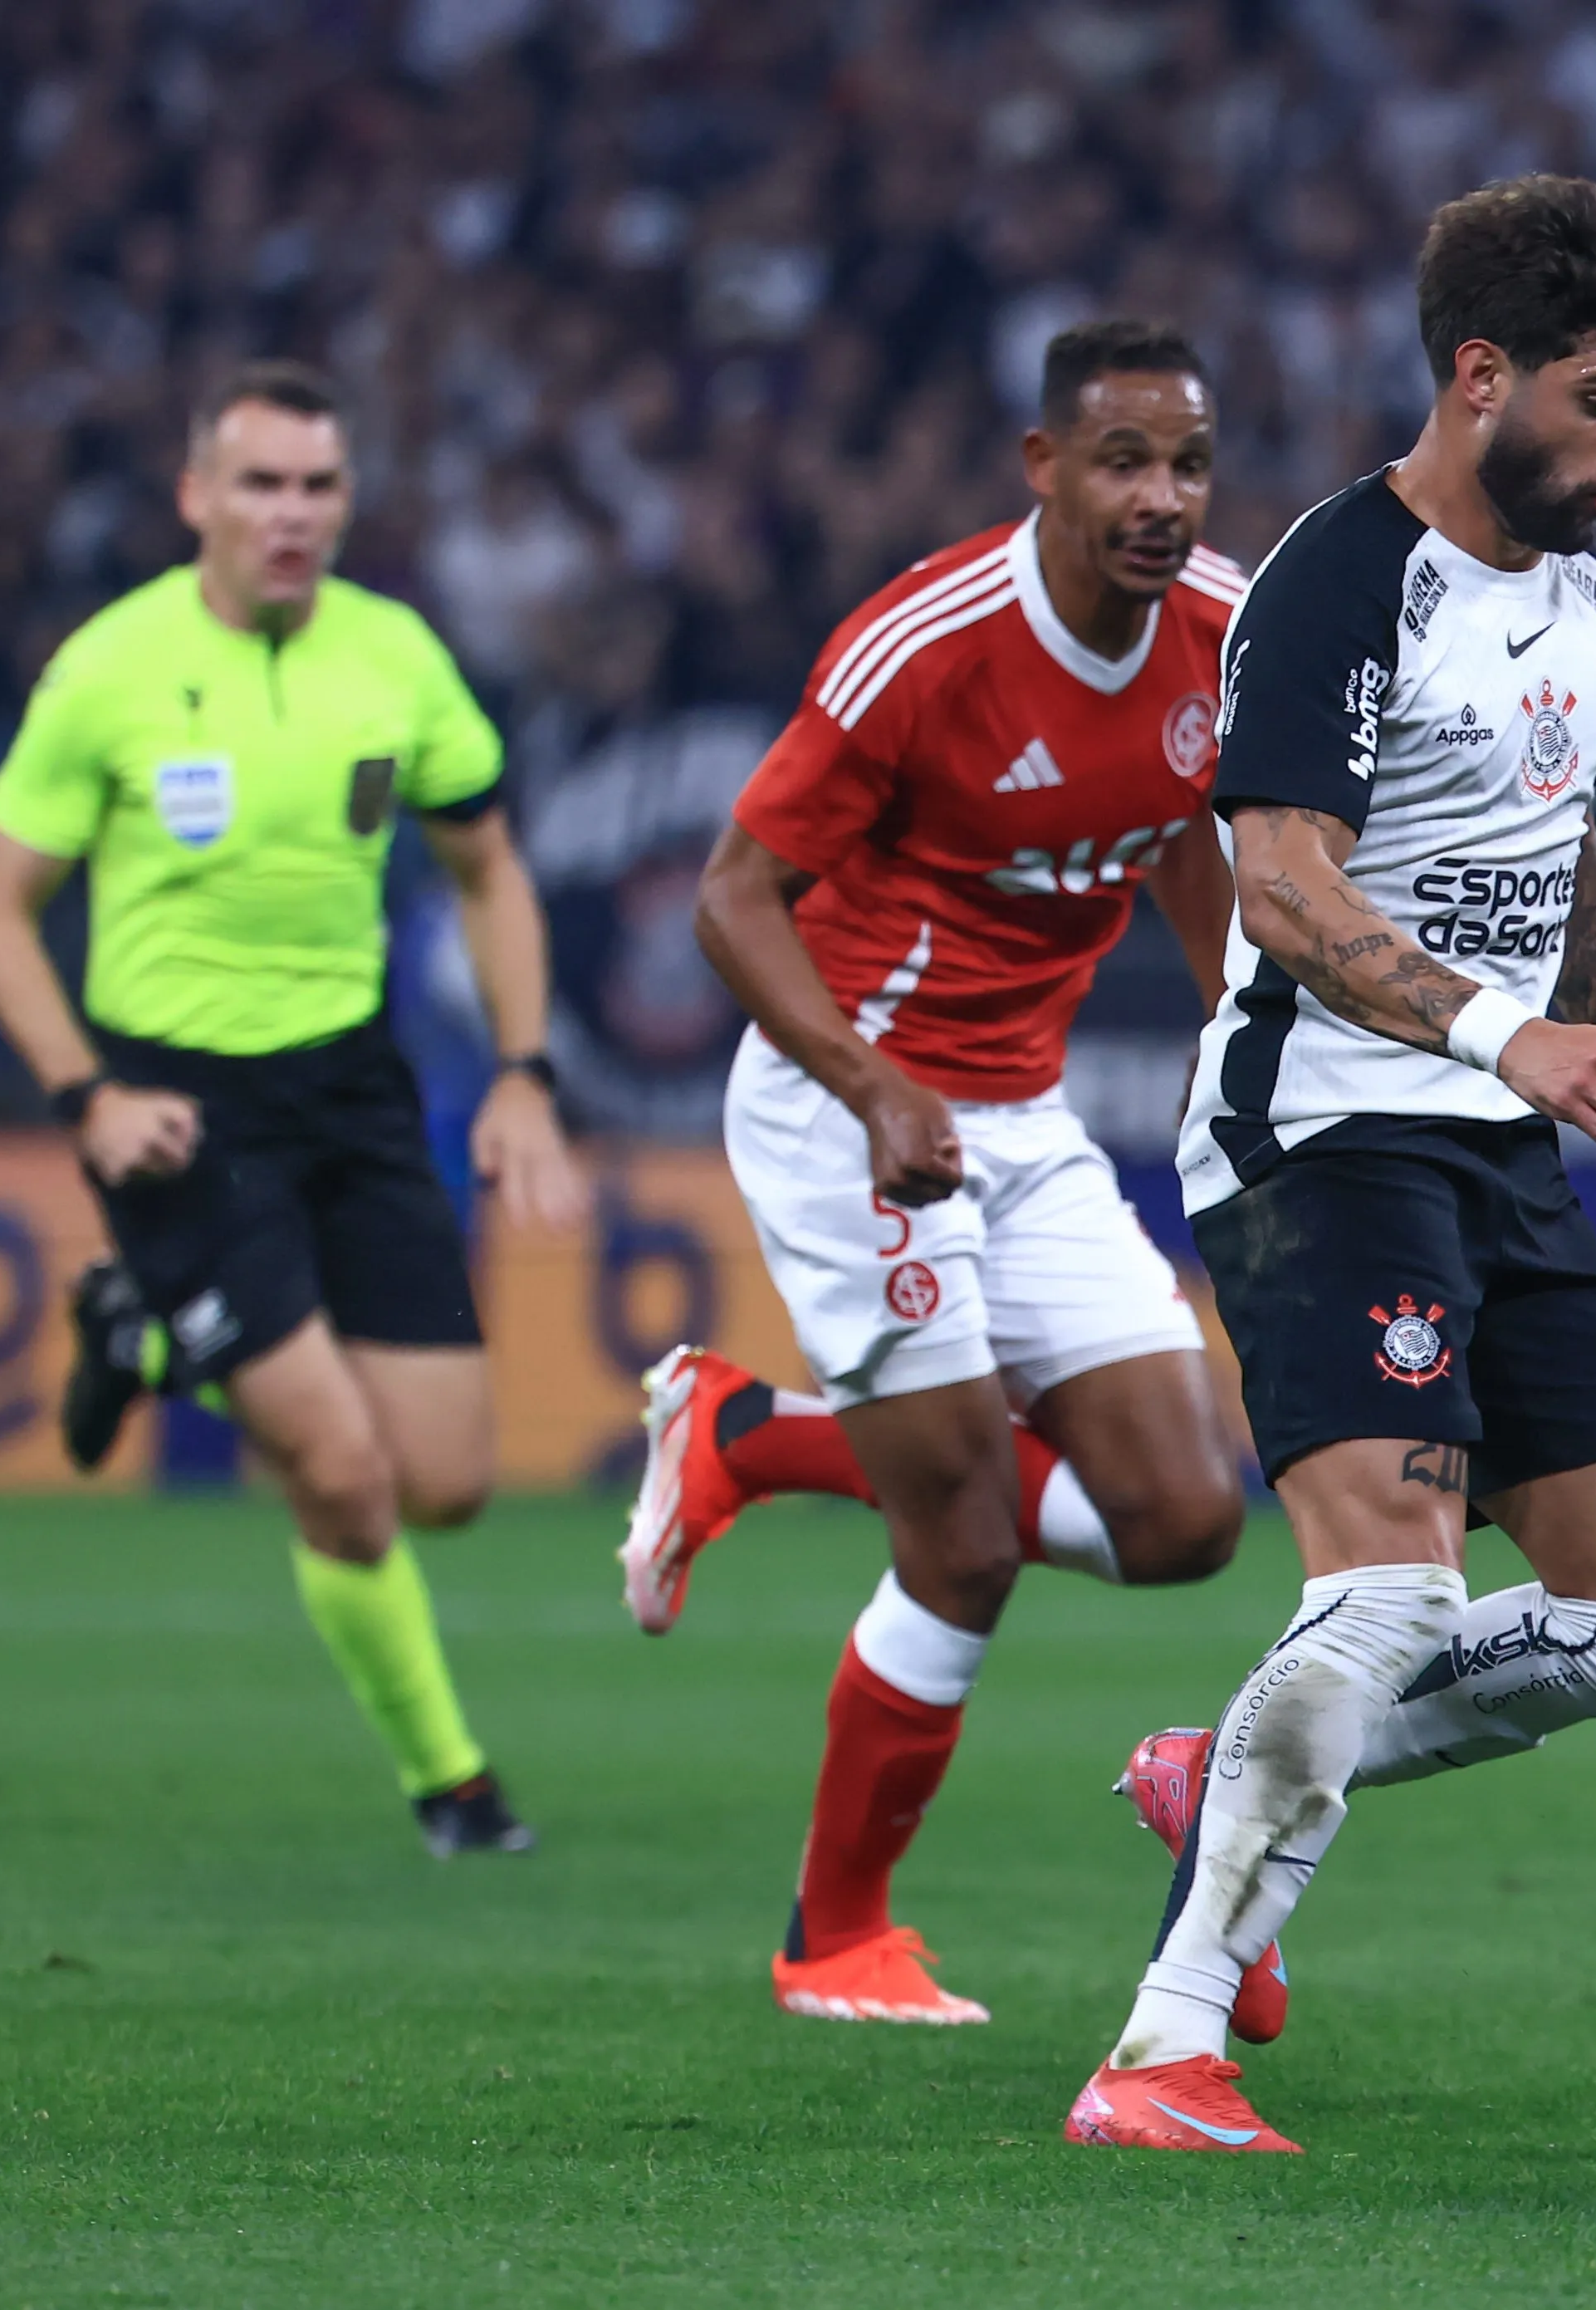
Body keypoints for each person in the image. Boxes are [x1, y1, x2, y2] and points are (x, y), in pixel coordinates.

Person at [1063, 174, 1596, 2156]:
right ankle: (1160, 2052)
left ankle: (1227, 1766)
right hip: (1327, 1135)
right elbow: (1277, 881)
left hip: (1502, 1146)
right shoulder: (1339, 577)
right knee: (1383, 1599)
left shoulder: (1582, 597)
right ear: (1480, 375)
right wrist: (1501, 1033)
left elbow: (1561, 843)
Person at [633, 319, 1256, 2028]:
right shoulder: (930, 643)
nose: (1159, 497)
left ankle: (746, 1433)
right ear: (1043, 467)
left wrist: (1231, 1020)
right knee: (964, 1542)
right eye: (1123, 460)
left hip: (1025, 1119)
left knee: (1192, 1516)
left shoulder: (1222, 624)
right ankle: (835, 1938)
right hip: (852, 1111)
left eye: (1187, 465)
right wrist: (870, 1080)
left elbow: (1199, 821)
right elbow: (731, 896)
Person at [0, 360, 581, 1856]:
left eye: (318, 488)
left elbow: (489, 868)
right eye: (260, 485)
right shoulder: (106, 669)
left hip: (352, 1083)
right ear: (196, 498)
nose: (292, 516)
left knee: (446, 1485)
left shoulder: (396, 657)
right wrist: (86, 1099)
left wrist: (523, 1071)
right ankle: (456, 1789)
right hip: (177, 1104)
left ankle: (148, 1330)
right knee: (346, 1481)